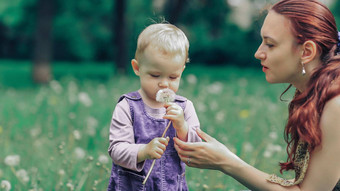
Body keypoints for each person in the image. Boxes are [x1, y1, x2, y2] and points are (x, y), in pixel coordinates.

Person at [173, 0, 340, 190]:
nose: (258, 53)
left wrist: (227, 162)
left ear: (307, 51)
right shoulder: (317, 93)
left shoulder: (335, 106)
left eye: (270, 44)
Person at [107, 23, 201, 191]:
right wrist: (143, 151)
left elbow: (196, 152)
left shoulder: (185, 108)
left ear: (182, 71)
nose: (164, 83)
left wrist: (182, 126)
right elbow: (116, 150)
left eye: (173, 77)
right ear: (137, 68)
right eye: (155, 75)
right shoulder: (127, 107)